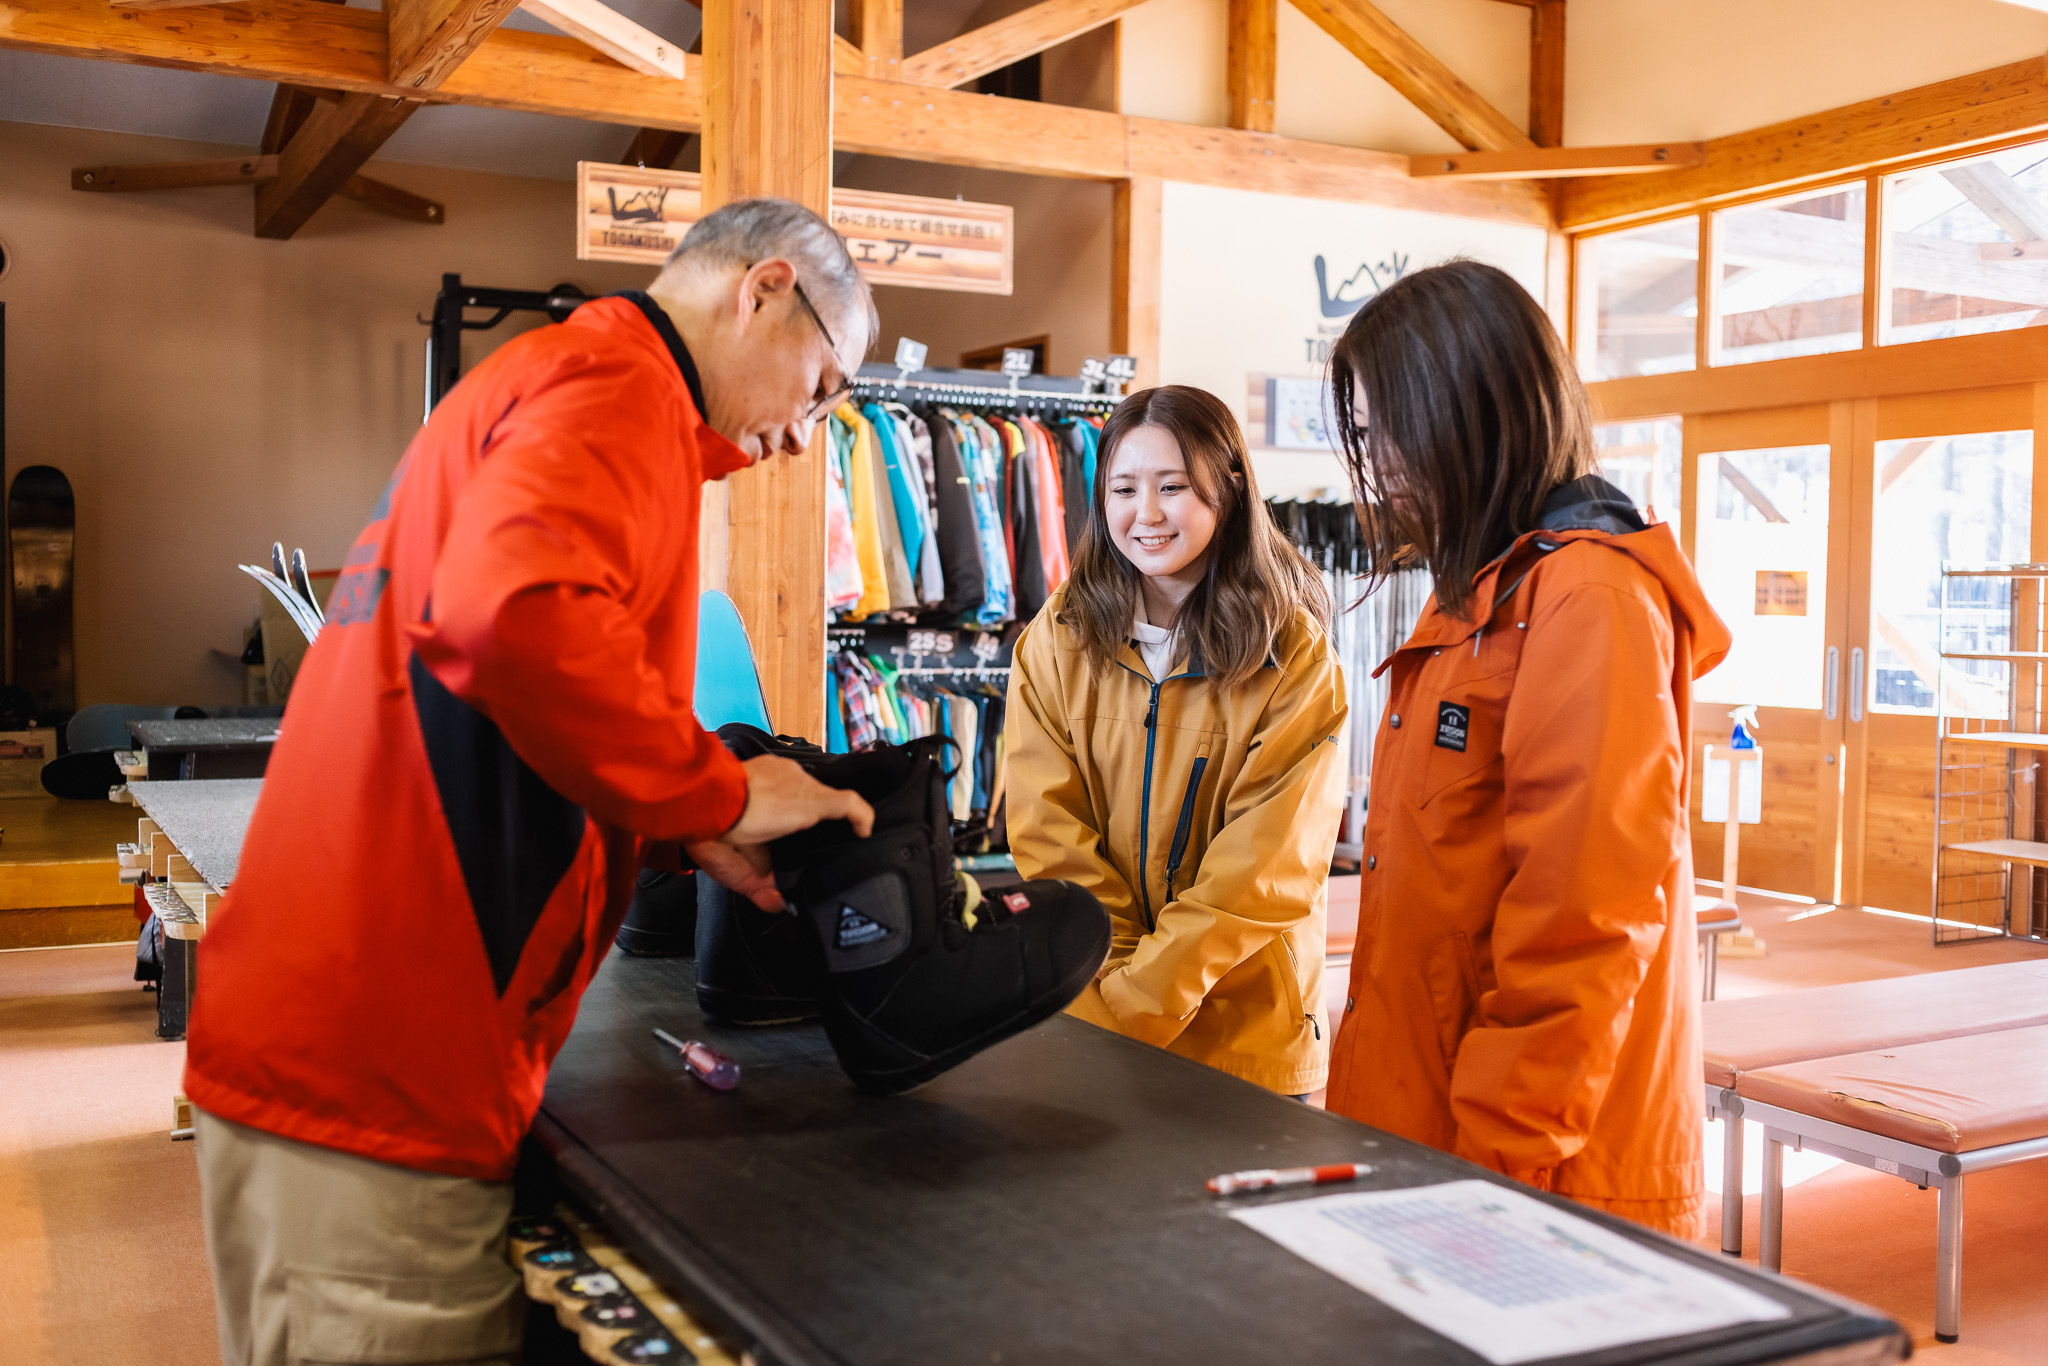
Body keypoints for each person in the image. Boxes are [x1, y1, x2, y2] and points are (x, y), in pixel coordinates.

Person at [184, 199, 879, 1364]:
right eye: (824, 387)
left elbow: (491, 709)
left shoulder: (567, 385)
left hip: (346, 1041)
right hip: (383, 1068)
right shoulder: (618, 390)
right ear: (762, 290)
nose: (810, 435)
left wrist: (668, 830)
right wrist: (712, 790)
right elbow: (513, 619)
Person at [1321, 259, 1732, 1238]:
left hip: (1533, 1166)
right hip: (1428, 1127)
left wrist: (1493, 1158)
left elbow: (1584, 916)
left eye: (1386, 433)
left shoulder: (1588, 599)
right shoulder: (1480, 589)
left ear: (1461, 413)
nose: (1373, 464)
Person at [1005, 385, 1348, 1097]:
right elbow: (1050, 837)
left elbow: (1267, 866)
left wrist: (1132, 1006)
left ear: (1228, 491)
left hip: (1247, 1039)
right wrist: (1112, 991)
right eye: (1124, 489)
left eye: (1174, 487)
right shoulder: (1057, 640)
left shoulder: (1293, 654)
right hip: (1098, 1011)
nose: (1147, 515)